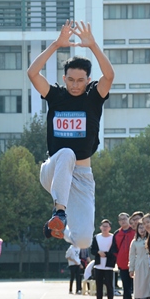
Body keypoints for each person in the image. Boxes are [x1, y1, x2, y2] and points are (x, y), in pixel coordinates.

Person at [27, 20, 114, 247]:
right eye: (71, 80)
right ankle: (60, 213)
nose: (75, 85)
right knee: (67, 152)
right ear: (64, 79)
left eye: (81, 81)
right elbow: (32, 73)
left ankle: (57, 228)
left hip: (82, 176)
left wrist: (93, 45)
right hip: (54, 169)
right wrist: (56, 44)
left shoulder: (93, 97)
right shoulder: (56, 95)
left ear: (88, 80)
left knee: (84, 241)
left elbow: (110, 76)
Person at [129, 221, 150, 299]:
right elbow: (131, 256)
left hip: (149, 264)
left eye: (143, 227)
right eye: (140, 227)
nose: (142, 230)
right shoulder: (135, 242)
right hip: (139, 266)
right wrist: (131, 268)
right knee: (139, 288)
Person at [90, 219, 116, 299]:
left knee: (109, 286)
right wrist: (98, 252)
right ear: (100, 227)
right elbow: (92, 250)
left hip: (108, 266)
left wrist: (106, 254)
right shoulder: (96, 237)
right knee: (99, 286)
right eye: (103, 226)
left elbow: (114, 250)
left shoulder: (113, 237)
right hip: (98, 266)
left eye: (107, 226)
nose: (105, 228)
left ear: (110, 228)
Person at [113, 213, 135, 299]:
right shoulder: (117, 233)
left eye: (124, 219)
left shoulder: (135, 231)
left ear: (129, 219)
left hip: (135, 263)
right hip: (123, 264)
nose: (123, 221)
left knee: (139, 286)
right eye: (121, 219)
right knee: (126, 287)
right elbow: (114, 249)